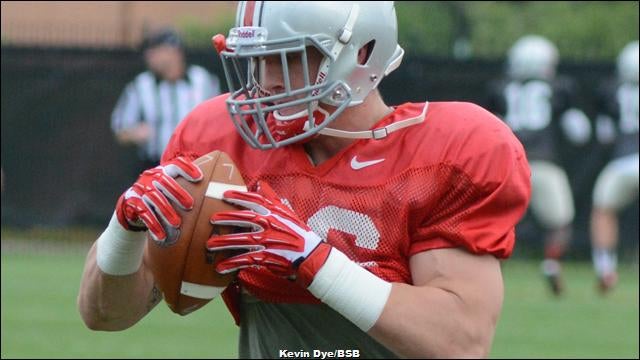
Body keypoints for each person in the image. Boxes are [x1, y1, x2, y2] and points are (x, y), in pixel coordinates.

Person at [78, 2, 531, 358]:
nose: (267, 83)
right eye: (258, 60)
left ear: (362, 53)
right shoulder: (218, 144)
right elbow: (103, 314)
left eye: (288, 58)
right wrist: (123, 230)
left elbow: (460, 343)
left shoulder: (444, 153)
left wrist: (312, 259)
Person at [484, 35, 591, 296]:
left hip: (508, 162)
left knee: (497, 223)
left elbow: (488, 125)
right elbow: (579, 133)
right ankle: (552, 262)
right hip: (543, 162)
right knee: (561, 222)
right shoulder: (559, 88)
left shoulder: (500, 88)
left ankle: (491, 271)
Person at [111, 27, 221, 173]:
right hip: (154, 167)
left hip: (197, 165)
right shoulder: (141, 85)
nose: (149, 56)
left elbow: (219, 120)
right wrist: (135, 133)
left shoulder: (203, 80)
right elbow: (120, 128)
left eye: (155, 51)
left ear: (172, 51)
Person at [589, 40, 639, 294]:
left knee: (603, 210)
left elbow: (605, 135)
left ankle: (606, 268)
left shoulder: (612, 91)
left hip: (623, 161)